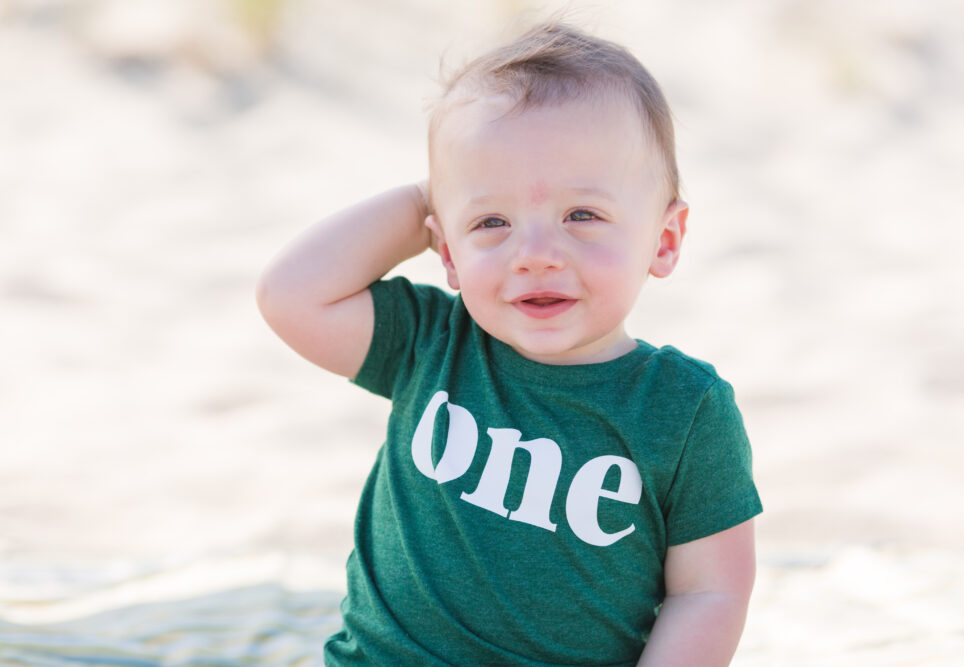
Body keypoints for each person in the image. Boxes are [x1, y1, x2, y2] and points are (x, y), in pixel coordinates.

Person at [257, 19, 762, 667]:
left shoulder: (684, 408)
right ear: (445, 250)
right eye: (492, 222)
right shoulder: (432, 342)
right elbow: (291, 295)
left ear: (663, 240)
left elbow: (711, 590)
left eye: (582, 214)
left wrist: (478, 197)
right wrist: (438, 190)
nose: (536, 255)